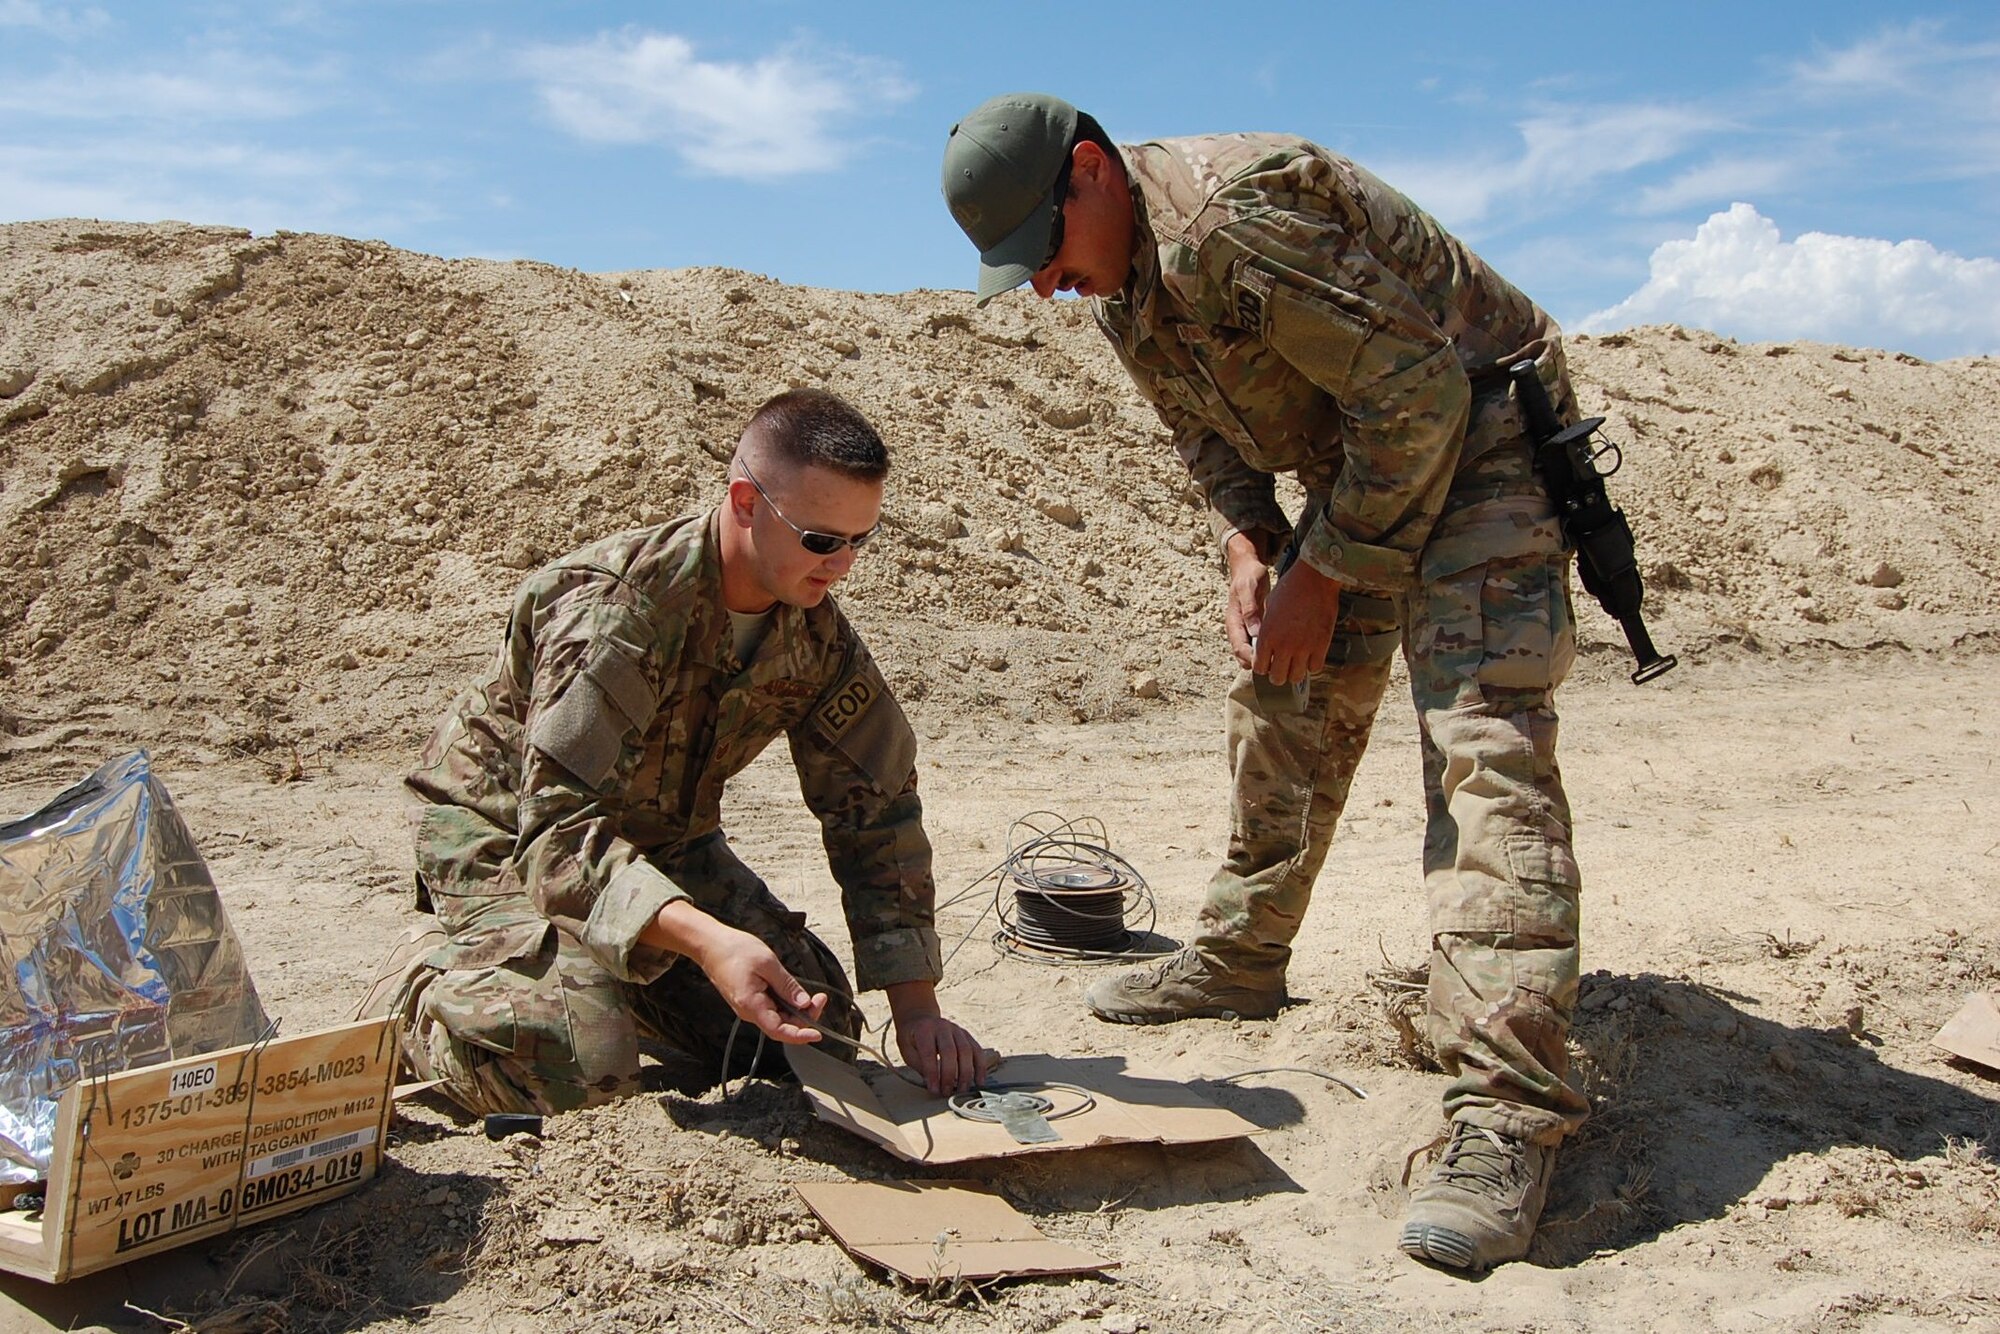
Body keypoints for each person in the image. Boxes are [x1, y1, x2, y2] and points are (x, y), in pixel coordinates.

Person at [941, 93, 1589, 1272]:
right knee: (1284, 691)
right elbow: (1209, 433)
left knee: (1479, 742)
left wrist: (1325, 566)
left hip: (1480, 428)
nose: (1041, 286)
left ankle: (1507, 1109)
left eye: (1040, 253)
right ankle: (1242, 956)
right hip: (1368, 453)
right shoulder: (1122, 278)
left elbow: (1420, 393)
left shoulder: (1227, 222)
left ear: (1089, 173)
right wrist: (1250, 539)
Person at [358, 388, 991, 1116]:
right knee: (574, 1071)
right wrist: (707, 941)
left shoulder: (814, 634)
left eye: (860, 541)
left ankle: (606, 974)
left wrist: (915, 1010)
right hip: (505, 837)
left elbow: (876, 808)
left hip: (656, 844)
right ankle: (420, 988)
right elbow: (555, 834)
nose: (842, 565)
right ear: (746, 502)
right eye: (822, 540)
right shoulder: (618, 615)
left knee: (815, 1032)